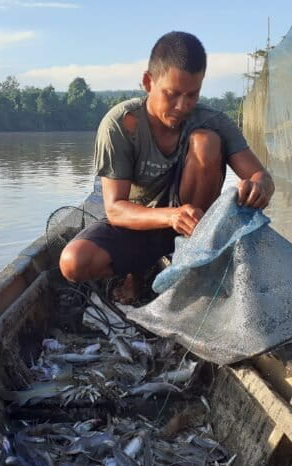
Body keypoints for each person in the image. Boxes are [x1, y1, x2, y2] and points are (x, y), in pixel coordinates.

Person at [59, 31, 274, 302]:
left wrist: (258, 187)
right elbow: (115, 210)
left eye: (192, 95)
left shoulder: (212, 121)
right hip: (140, 224)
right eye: (172, 94)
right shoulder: (121, 124)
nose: (182, 106)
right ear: (148, 82)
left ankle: (191, 264)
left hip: (193, 228)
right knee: (74, 262)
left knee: (206, 142)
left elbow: (261, 176)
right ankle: (137, 273)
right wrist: (171, 216)